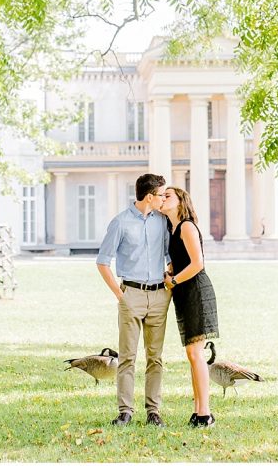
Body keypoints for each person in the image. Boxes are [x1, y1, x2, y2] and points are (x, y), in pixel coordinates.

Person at [96, 173, 172, 428]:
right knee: (128, 357)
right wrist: (120, 296)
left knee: (155, 357)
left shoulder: (162, 221)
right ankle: (125, 411)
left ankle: (153, 411)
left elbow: (168, 254)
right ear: (150, 197)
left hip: (160, 296)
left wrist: (170, 282)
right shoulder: (120, 223)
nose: (164, 198)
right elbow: (103, 262)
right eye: (162, 195)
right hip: (131, 294)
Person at [160, 186, 219, 428]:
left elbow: (197, 264)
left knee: (196, 353)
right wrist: (170, 272)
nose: (163, 198)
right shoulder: (172, 229)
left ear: (181, 201)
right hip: (183, 293)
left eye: (168, 196)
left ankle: (205, 413)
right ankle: (198, 411)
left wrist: (173, 280)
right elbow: (180, 261)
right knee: (191, 354)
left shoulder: (186, 226)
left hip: (196, 291)